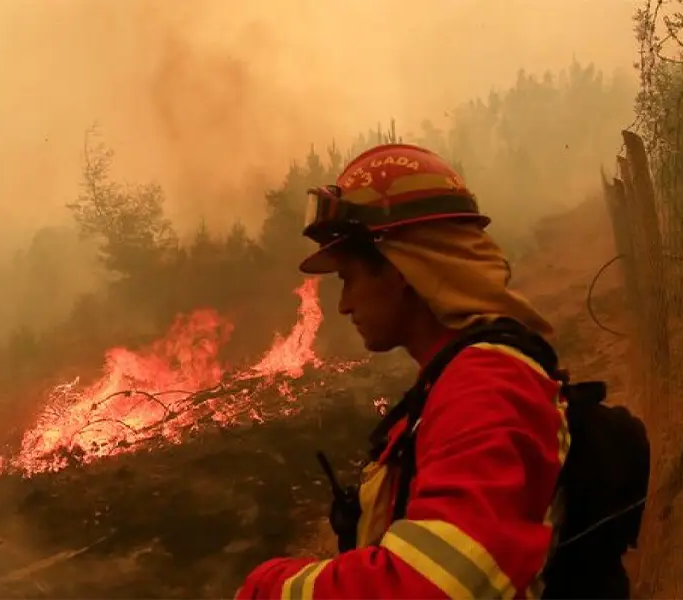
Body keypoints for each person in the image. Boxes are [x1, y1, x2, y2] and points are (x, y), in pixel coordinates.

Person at [235, 143, 648, 599]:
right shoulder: (457, 379)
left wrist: (270, 587)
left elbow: (430, 588)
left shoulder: (486, 387)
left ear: (402, 269)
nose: (344, 303)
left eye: (349, 277)